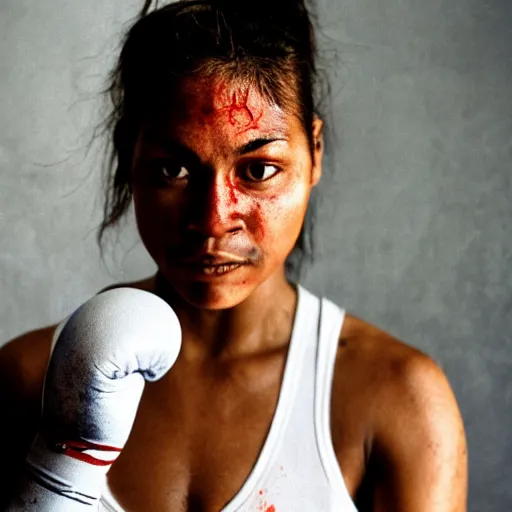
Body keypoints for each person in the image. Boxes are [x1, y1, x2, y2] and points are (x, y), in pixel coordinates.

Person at [0, 0, 468, 510]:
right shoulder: (26, 379)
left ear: (314, 153)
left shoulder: (400, 400)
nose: (214, 218)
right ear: (128, 157)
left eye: (258, 170)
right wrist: (59, 469)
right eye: (173, 170)